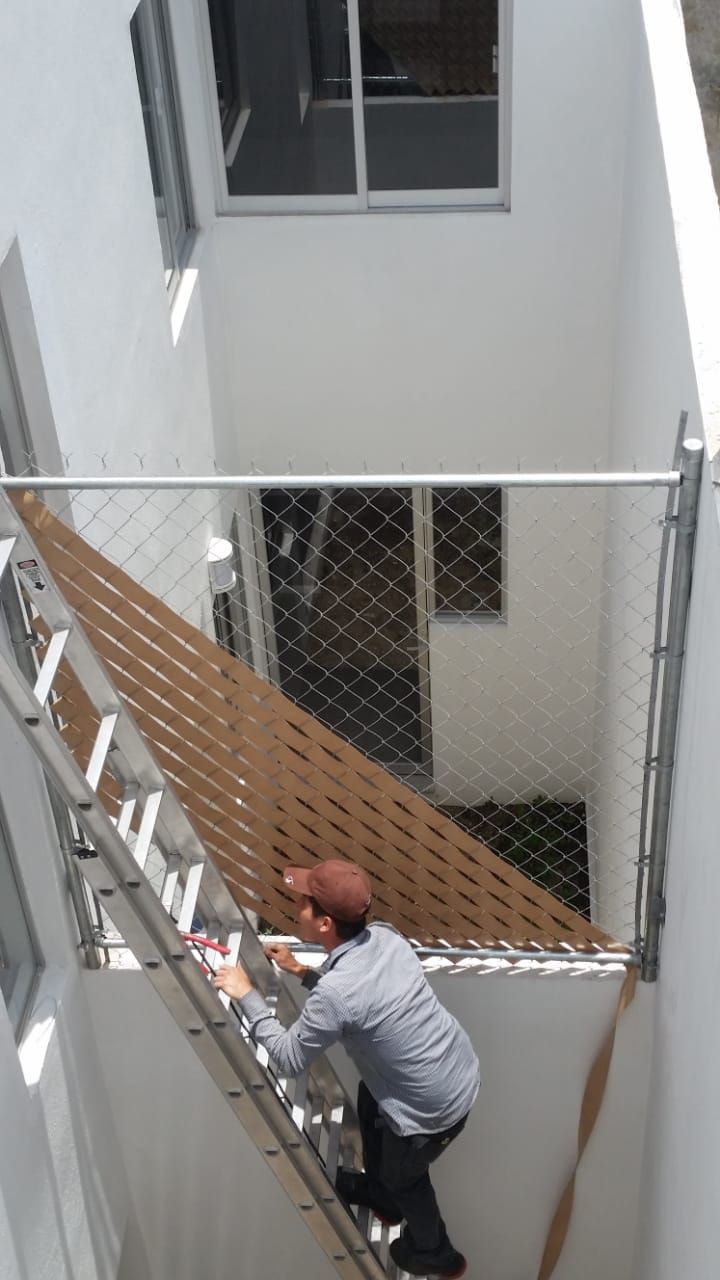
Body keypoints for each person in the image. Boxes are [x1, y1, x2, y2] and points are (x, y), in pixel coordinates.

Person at [213, 858, 479, 1279]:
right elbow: (359, 998)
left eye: (304, 902)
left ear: (323, 924)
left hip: (432, 1111)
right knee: (370, 1103)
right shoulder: (385, 937)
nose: (297, 906)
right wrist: (300, 970)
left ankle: (436, 1254)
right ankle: (381, 1197)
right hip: (450, 1064)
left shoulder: (337, 993)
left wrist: (246, 994)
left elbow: (288, 1057)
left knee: (406, 1178)